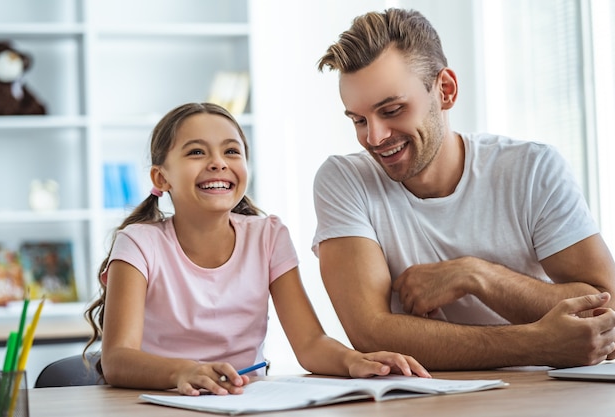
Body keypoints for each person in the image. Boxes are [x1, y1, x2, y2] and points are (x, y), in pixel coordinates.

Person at [313, 8, 615, 370]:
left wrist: (477, 276)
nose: (373, 137)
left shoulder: (532, 169)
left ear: (445, 90)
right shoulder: (345, 180)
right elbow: (370, 332)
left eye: (392, 110)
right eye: (359, 120)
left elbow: (607, 310)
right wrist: (536, 344)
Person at [83, 102, 429, 396]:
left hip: (241, 403)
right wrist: (182, 373)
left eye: (231, 151)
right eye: (196, 152)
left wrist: (356, 360)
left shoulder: (268, 236)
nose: (218, 162)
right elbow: (117, 360)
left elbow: (309, 343)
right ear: (161, 178)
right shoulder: (138, 243)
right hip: (160, 402)